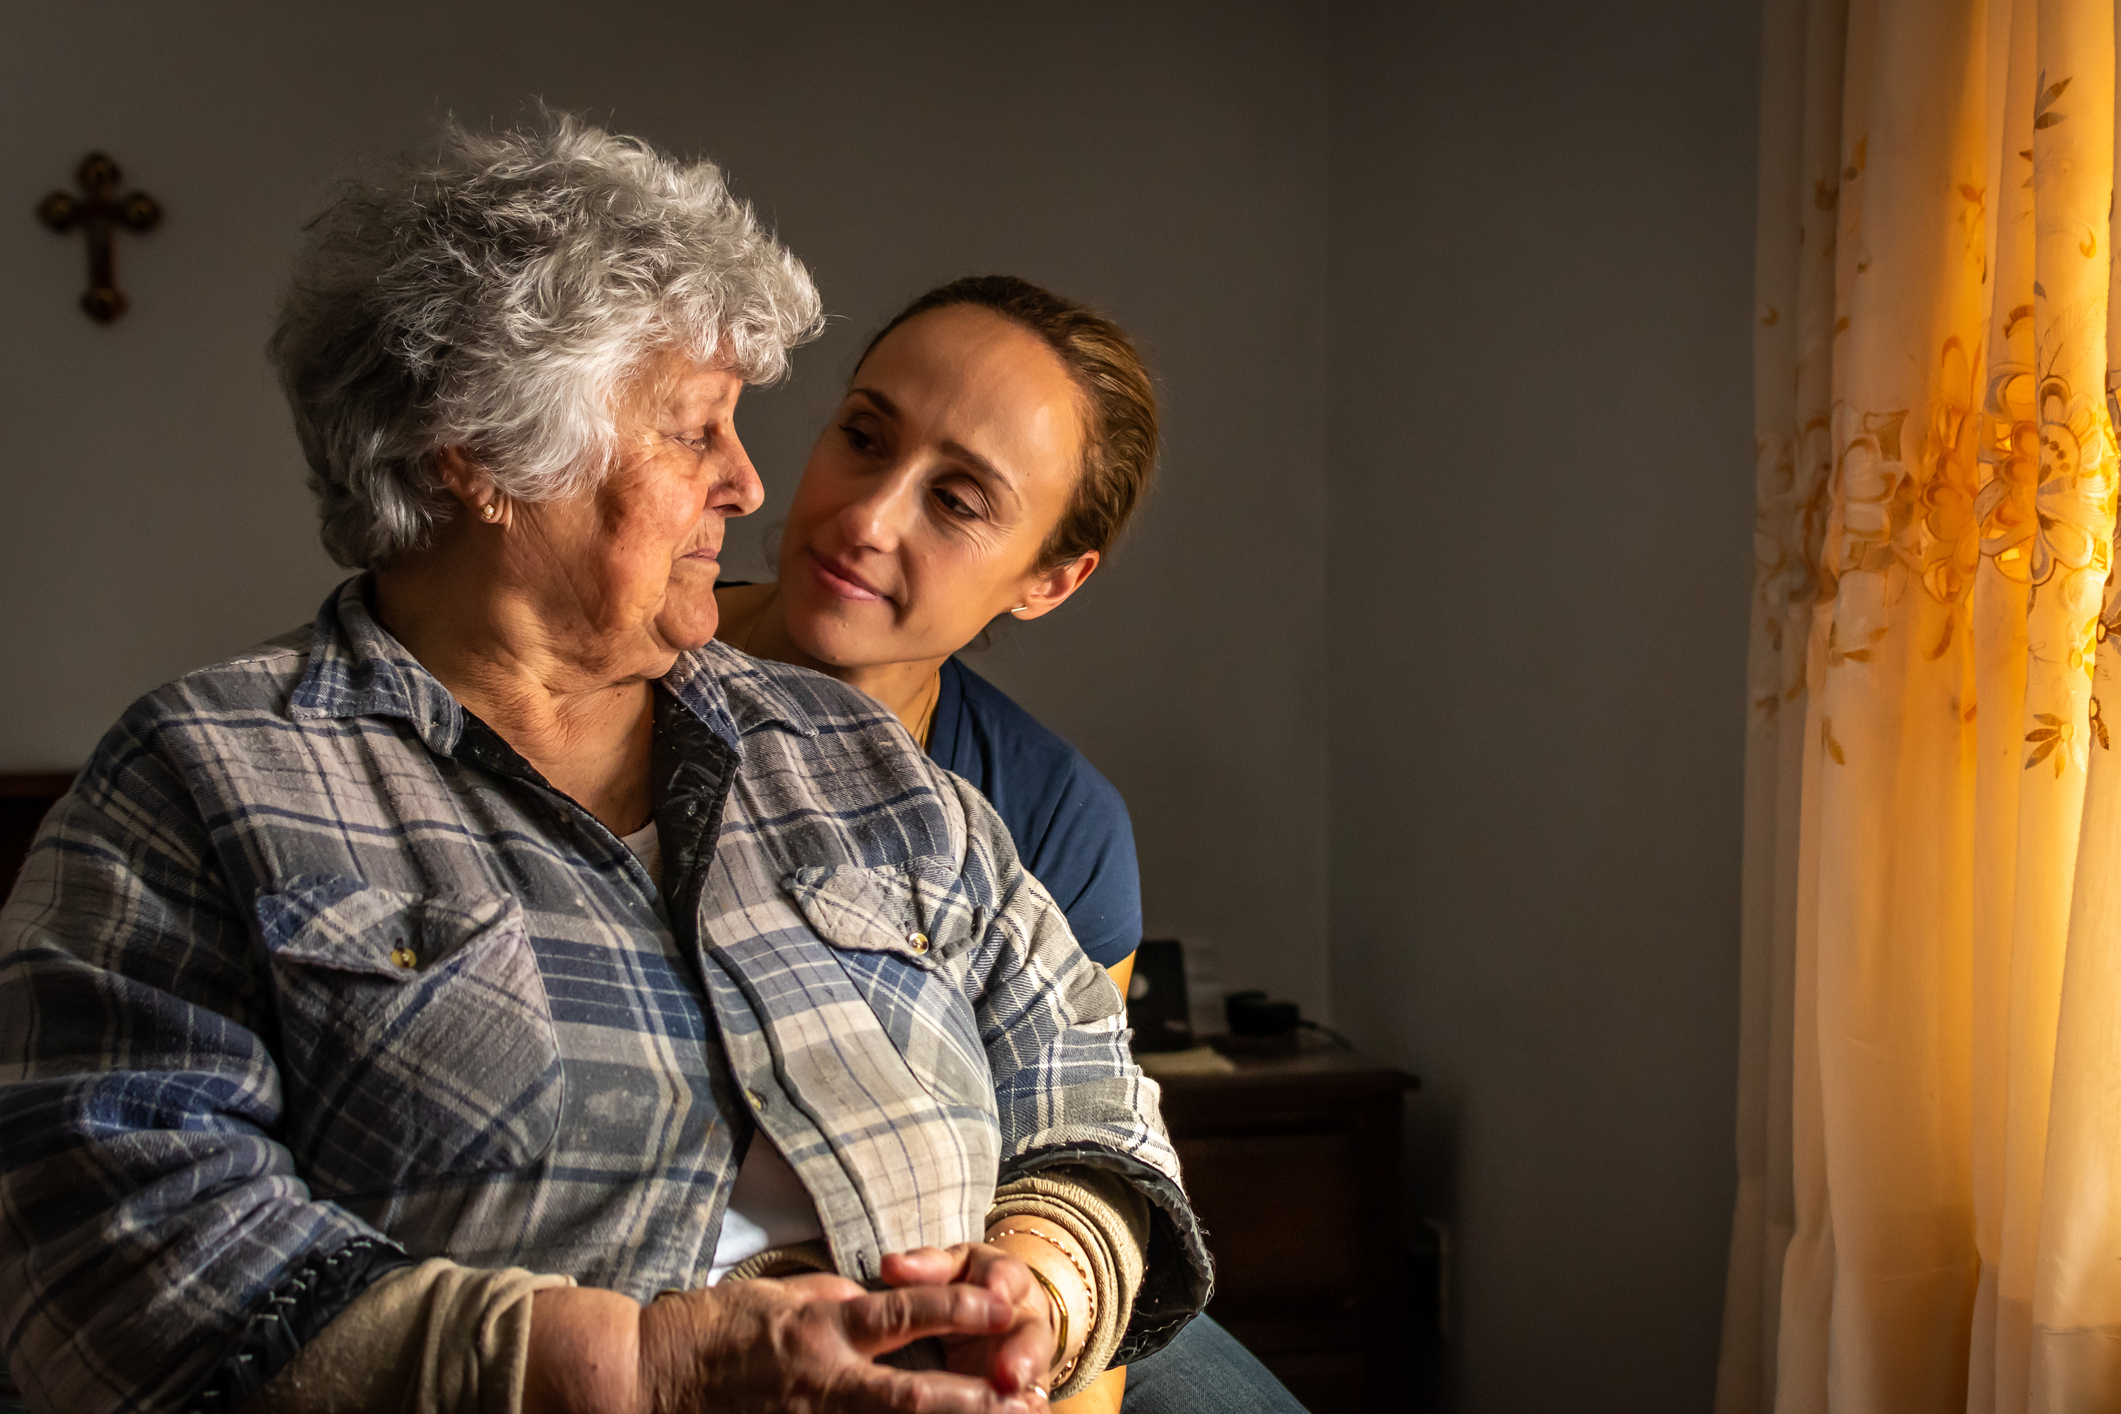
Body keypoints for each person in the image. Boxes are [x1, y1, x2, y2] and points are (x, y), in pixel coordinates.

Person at [0, 115, 1208, 1414]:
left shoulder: (857, 763)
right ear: (484, 452)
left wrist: (1042, 1282)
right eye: (694, 431)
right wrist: (649, 1367)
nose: (751, 482)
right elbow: (93, 1253)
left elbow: (1093, 1094)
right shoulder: (206, 780)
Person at [715, 278, 1308, 1414]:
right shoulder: (611, 670)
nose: (867, 517)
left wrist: (1036, 1352)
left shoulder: (1053, 821)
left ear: (1049, 578)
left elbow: (1072, 1151)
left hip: (960, 1271)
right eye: (863, 436)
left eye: (960, 499)